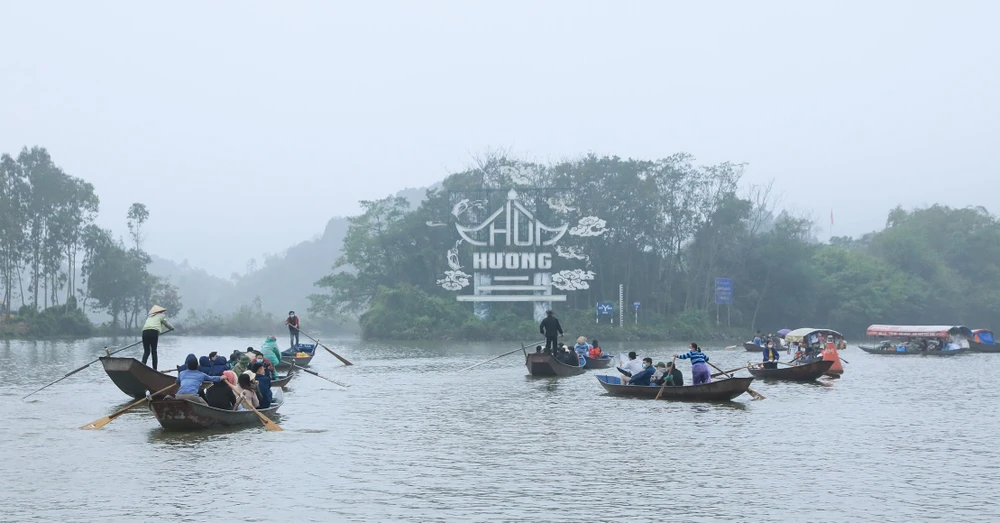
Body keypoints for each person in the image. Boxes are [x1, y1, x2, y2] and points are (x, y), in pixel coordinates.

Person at [141, 305, 174, 370]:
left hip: (144, 332)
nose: (162, 312)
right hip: (153, 332)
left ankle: (142, 367)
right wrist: (172, 328)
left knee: (146, 351)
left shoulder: (149, 317)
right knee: (154, 351)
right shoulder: (161, 316)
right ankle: (155, 369)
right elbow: (166, 323)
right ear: (160, 311)